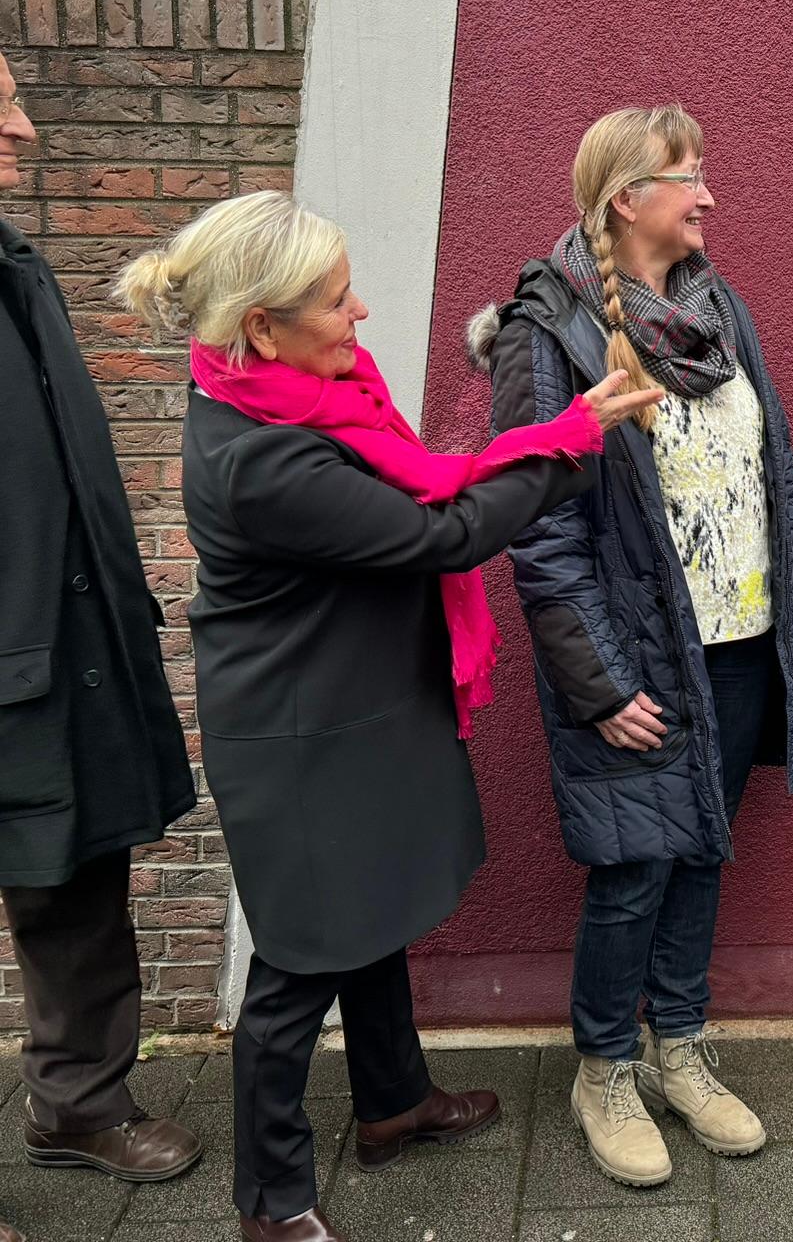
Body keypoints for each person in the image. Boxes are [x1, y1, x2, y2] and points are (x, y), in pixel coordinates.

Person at [115, 192, 659, 1242]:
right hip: (300, 736)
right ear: (262, 328)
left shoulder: (300, 397)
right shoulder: (263, 458)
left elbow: (426, 500)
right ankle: (271, 1204)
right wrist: (570, 440)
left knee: (368, 919)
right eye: (332, 301)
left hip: (351, 706)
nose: (359, 314)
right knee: (299, 963)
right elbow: (441, 534)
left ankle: (392, 1103)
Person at [467, 103, 793, 1187]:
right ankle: (604, 1070)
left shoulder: (720, 312)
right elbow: (536, 523)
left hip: (738, 642)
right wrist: (597, 684)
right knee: (632, 870)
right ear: (627, 199)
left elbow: (779, 468)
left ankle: (681, 1047)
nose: (710, 194)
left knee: (703, 850)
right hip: (635, 662)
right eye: (688, 175)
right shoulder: (553, 332)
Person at [0, 50, 203, 1242]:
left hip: (63, 656)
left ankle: (76, 1106)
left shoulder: (19, 271)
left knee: (77, 881)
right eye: (5, 109)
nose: (26, 134)